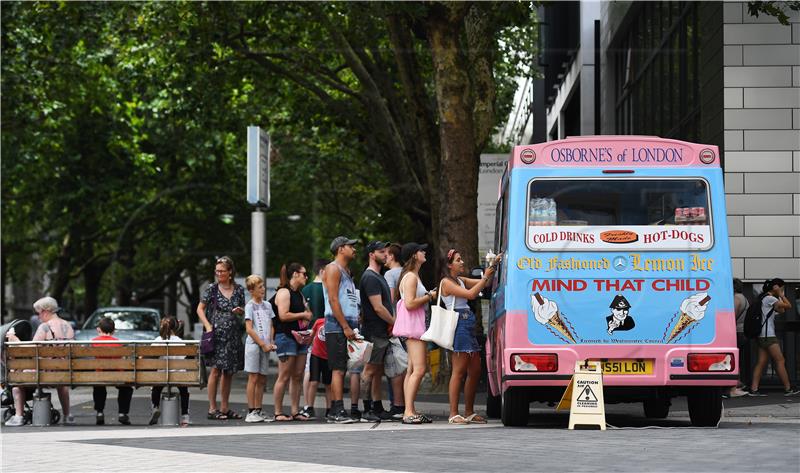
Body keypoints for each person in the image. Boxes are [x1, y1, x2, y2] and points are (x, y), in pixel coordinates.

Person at [440, 249, 501, 424]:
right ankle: (453, 413)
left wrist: (493, 266)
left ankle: (469, 411)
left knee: (474, 371)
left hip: (467, 324)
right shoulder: (446, 282)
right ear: (449, 265)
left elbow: (485, 284)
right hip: (459, 325)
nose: (462, 262)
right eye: (458, 260)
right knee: (458, 372)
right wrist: (484, 277)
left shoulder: (460, 280)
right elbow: (471, 294)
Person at [6, 297, 75, 426]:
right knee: (62, 385)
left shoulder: (44, 327)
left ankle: (18, 416)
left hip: (45, 372)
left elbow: (31, 350)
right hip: (64, 372)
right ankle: (67, 415)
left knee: (17, 380)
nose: (38, 317)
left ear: (45, 311)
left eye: (38, 313)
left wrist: (15, 340)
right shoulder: (68, 325)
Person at [197, 256, 246, 421]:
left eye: (222, 271)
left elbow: (243, 309)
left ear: (230, 272)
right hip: (216, 335)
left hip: (232, 335)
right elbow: (200, 309)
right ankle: (212, 408)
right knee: (216, 371)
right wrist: (208, 326)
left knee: (229, 372)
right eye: (217, 271)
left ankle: (224, 407)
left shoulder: (238, 289)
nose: (219, 274)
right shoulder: (212, 288)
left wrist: (240, 311)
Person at [394, 242, 437, 424]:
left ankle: (409, 409)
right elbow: (410, 303)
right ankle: (408, 412)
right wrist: (429, 296)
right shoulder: (411, 277)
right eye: (421, 250)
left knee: (411, 369)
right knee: (419, 369)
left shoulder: (411, 275)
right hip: (413, 328)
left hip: (412, 327)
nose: (424, 252)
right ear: (414, 255)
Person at [322, 236, 360, 423]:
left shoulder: (346, 270)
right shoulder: (333, 269)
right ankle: (337, 410)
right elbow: (333, 299)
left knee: (343, 368)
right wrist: (345, 326)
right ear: (340, 249)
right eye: (350, 246)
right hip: (337, 327)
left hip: (347, 326)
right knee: (338, 369)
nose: (354, 249)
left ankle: (335, 411)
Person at [357, 241, 396, 422]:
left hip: (380, 332)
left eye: (386, 252)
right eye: (381, 252)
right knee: (369, 370)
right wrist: (395, 323)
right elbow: (378, 308)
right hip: (374, 332)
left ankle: (375, 407)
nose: (385, 255)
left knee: (376, 371)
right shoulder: (370, 277)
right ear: (372, 254)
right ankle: (366, 410)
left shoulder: (378, 276)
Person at [270, 263, 313, 421]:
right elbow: (283, 315)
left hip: (300, 337)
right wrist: (303, 314)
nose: (306, 277)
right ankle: (278, 411)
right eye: (304, 274)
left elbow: (305, 313)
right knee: (284, 375)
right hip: (286, 337)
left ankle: (295, 410)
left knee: (297, 375)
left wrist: (306, 316)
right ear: (295, 274)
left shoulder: (299, 294)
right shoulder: (284, 292)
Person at [748, 278, 799, 396]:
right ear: (776, 287)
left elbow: (781, 310)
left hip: (761, 336)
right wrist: (780, 294)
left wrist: (779, 296)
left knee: (761, 361)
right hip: (768, 336)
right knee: (780, 360)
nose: (782, 291)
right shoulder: (770, 298)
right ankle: (788, 388)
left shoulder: (764, 298)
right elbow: (789, 306)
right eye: (782, 288)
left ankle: (754, 389)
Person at [243, 275, 277, 423]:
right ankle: (250, 411)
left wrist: (270, 341)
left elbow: (271, 325)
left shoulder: (268, 305)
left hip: (265, 345)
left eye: (263, 286)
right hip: (254, 345)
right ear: (251, 290)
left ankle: (258, 409)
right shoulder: (250, 306)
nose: (263, 289)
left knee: (262, 378)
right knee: (253, 377)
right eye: (259, 287)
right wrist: (262, 344)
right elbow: (249, 329)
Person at [149, 316, 192, 427]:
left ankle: (155, 407)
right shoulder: (180, 342)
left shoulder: (158, 340)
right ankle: (185, 417)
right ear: (176, 327)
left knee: (156, 388)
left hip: (162, 374)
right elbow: (184, 356)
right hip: (179, 375)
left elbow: (150, 356)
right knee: (184, 392)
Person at [91, 317, 133, 425]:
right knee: (126, 388)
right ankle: (122, 413)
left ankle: (99, 412)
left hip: (100, 374)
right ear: (113, 331)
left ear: (99, 329)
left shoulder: (93, 342)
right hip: (117, 374)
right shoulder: (118, 343)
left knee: (99, 386)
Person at [300, 259, 329, 419]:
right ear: (323, 270)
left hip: (310, 333)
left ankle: (307, 405)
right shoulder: (329, 289)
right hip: (327, 333)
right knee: (329, 374)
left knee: (309, 371)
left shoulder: (306, 290)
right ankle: (330, 407)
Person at [383, 242, 406, 420]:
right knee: (407, 364)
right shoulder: (408, 272)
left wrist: (389, 321)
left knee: (396, 366)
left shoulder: (390, 274)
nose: (384, 256)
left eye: (386, 254)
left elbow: (390, 299)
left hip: (396, 323)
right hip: (410, 323)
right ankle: (405, 403)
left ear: (391, 256)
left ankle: (397, 405)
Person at [302, 316, 331, 419]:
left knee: (328, 384)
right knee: (313, 382)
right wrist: (306, 348)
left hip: (328, 356)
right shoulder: (319, 321)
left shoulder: (336, 322)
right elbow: (312, 336)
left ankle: (329, 409)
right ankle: (310, 408)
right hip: (316, 355)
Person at [728, 278, 749, 398]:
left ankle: (733, 387)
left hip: (737, 332)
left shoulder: (737, 298)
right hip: (742, 331)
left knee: (733, 359)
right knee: (737, 359)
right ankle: (737, 384)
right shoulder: (744, 297)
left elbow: (732, 316)